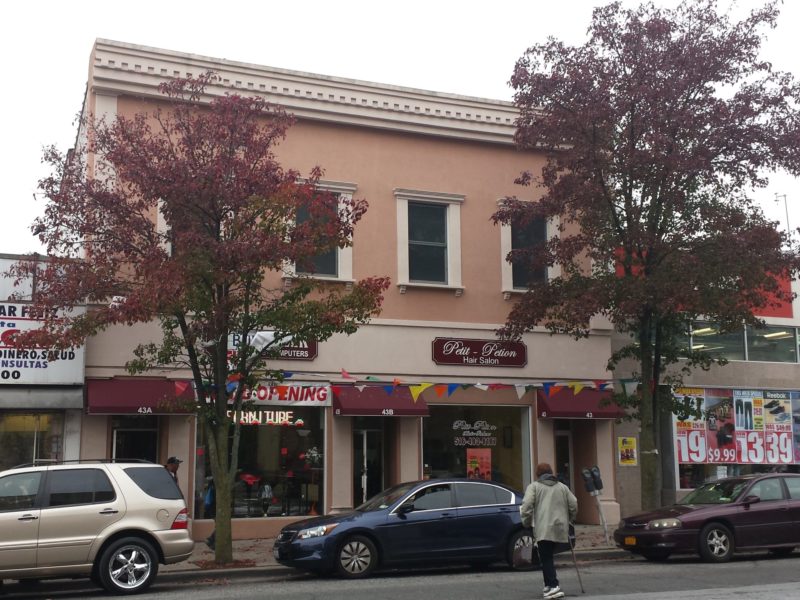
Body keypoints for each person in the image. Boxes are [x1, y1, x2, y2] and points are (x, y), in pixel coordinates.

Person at [520, 462, 578, 600]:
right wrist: (570, 519)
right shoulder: (563, 487)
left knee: (546, 557)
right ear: (551, 472)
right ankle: (548, 584)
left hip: (544, 527)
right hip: (560, 527)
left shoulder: (534, 487)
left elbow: (527, 505)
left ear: (537, 474)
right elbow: (574, 504)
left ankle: (553, 586)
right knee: (547, 555)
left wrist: (526, 522)